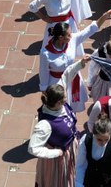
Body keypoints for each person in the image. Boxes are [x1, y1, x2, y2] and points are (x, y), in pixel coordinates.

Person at [29, 59, 89, 187]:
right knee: (59, 182)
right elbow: (33, 148)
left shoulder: (57, 97)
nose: (66, 100)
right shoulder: (45, 124)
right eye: (63, 100)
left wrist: (81, 63)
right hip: (59, 158)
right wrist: (55, 153)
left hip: (71, 146)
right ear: (57, 103)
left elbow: (67, 74)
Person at [29, 0, 107, 47]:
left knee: (72, 43)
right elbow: (32, 6)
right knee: (56, 45)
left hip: (70, 23)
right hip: (55, 25)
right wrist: (43, 17)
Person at [75, 115, 111, 187]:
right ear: (93, 133)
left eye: (106, 139)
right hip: (90, 181)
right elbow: (80, 165)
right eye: (99, 139)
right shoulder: (86, 140)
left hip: (110, 184)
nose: (103, 143)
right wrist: (79, 184)